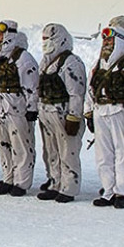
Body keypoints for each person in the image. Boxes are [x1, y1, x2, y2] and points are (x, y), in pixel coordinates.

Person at [84, 25, 124, 209]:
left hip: (122, 111)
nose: (107, 42)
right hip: (100, 111)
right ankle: (108, 189)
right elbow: (90, 89)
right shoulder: (98, 64)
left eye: (110, 39)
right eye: (105, 39)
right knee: (103, 154)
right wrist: (88, 113)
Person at [36, 23, 87, 203]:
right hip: (47, 112)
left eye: (47, 39)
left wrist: (74, 117)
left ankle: (69, 187)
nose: (44, 43)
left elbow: (76, 93)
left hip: (64, 114)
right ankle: (55, 182)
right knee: (51, 151)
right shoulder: (45, 62)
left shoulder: (71, 63)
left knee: (68, 152)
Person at [0, 20, 39, 196]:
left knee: (21, 147)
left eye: (1, 32)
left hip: (17, 108)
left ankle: (22, 182)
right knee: (4, 146)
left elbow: (31, 85)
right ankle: (8, 178)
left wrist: (32, 107)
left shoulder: (23, 58)